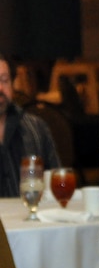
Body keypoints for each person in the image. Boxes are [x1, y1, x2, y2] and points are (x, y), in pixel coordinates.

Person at [0, 53, 61, 195]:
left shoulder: (36, 128)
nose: (1, 88)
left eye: (4, 80)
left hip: (32, 214)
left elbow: (56, 182)